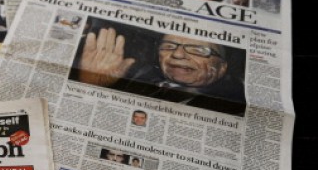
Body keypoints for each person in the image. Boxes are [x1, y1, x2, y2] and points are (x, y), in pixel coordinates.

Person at [75, 28, 246, 116]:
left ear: (222, 68)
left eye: (198, 50)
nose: (177, 54)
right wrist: (91, 84)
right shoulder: (137, 79)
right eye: (169, 46)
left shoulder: (235, 107)